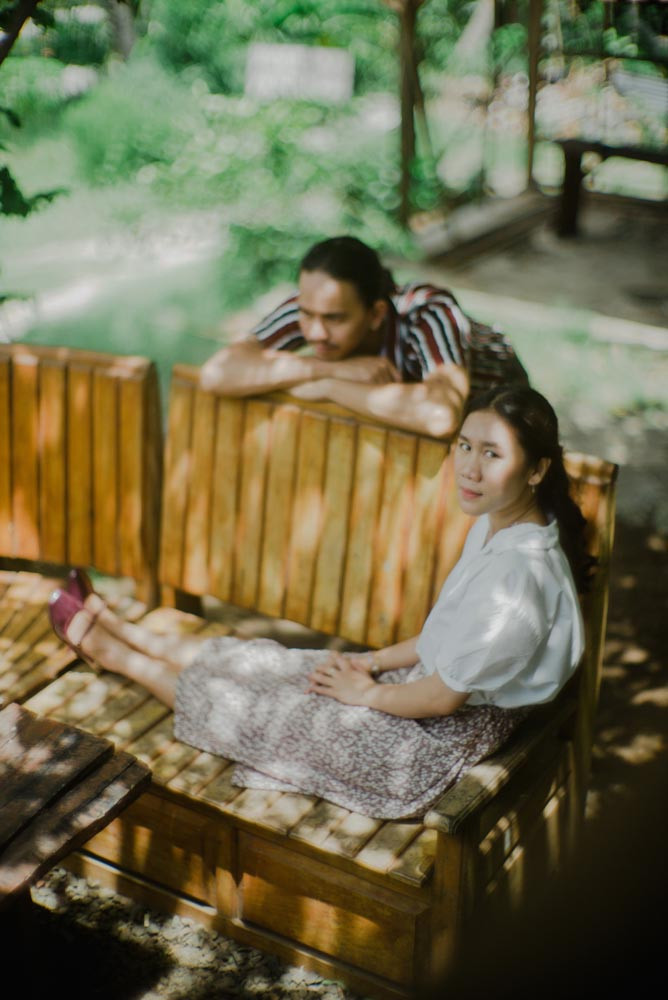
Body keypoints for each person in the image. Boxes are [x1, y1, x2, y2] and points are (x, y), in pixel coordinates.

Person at [48, 386, 589, 820]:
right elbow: (442, 637)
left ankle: (112, 652)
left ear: (537, 469)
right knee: (284, 667)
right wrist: (369, 663)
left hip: (432, 743)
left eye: (492, 454)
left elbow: (444, 697)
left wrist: (367, 693)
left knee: (266, 712)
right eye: (465, 445)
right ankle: (125, 630)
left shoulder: (517, 578)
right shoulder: (498, 524)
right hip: (423, 690)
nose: (468, 467)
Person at [199, 236, 529, 439]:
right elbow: (217, 374)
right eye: (307, 314)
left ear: (376, 314)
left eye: (335, 319)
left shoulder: (428, 312)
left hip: (509, 421)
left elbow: (441, 415)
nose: (316, 332)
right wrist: (329, 369)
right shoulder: (315, 304)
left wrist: (327, 387)